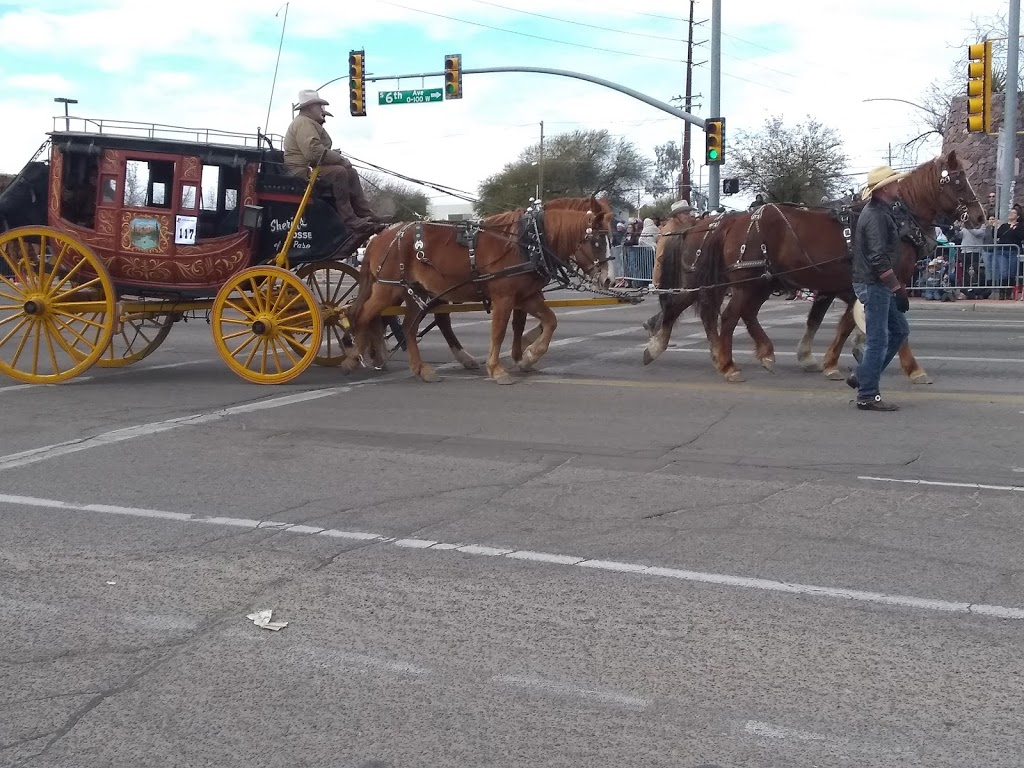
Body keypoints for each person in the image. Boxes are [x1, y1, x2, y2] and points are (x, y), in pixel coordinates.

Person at [845, 166, 911, 412]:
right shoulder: (874, 216)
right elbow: (878, 257)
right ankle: (867, 394)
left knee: (899, 330)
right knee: (878, 340)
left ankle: (863, 376)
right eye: (895, 183)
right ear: (884, 189)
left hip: (877, 284)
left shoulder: (881, 212)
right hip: (874, 284)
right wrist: (896, 288)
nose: (899, 186)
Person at [283, 89, 384, 244]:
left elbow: (317, 151)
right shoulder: (303, 123)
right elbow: (313, 152)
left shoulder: (308, 123)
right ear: (310, 107)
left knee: (350, 172)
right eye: (320, 106)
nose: (322, 111)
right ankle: (349, 220)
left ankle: (365, 215)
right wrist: (340, 159)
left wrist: (336, 157)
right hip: (302, 172)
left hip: (311, 168)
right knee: (339, 173)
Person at [994, 205, 1023, 300]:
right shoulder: (1004, 226)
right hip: (1002, 251)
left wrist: (1014, 230)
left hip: (1013, 251)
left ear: (1018, 216)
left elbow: (1021, 237)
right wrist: (994, 227)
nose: (1011, 214)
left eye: (1014, 213)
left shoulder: (1020, 226)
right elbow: (997, 235)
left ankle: (1009, 292)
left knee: (1012, 272)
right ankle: (1002, 292)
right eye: (1010, 212)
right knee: (1004, 272)